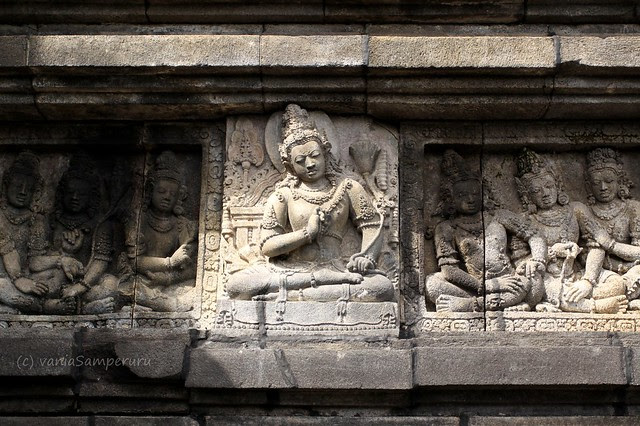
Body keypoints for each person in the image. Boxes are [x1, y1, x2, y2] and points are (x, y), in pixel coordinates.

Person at [226, 104, 394, 316]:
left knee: (381, 287)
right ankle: (316, 288)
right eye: (300, 161)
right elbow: (268, 246)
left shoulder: (348, 187)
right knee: (236, 285)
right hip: (292, 271)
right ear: (289, 165)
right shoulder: (284, 195)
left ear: (326, 153)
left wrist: (366, 257)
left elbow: (371, 224)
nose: (310, 164)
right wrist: (307, 233)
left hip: (337, 269)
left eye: (315, 155)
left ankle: (296, 295)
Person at [425, 149, 547, 312]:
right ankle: (494, 302)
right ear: (450, 199)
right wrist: (486, 286)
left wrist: (537, 260)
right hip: (473, 286)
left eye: (475, 194)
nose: (470, 199)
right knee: (432, 284)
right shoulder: (446, 228)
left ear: (484, 194)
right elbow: (449, 271)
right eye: (462, 195)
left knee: (532, 280)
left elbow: (534, 234)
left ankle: (470, 305)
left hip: (508, 280)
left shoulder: (499, 216)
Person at [514, 148, 627, 314]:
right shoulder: (524, 220)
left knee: (617, 284)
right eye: (536, 191)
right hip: (548, 278)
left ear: (558, 185)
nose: (545, 194)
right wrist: (551, 253)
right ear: (526, 195)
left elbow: (597, 244)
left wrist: (587, 281)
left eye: (549, 186)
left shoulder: (576, 210)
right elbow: (520, 262)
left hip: (577, 274)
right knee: (546, 288)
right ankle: (596, 306)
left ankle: (580, 299)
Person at [29, 153, 118, 314]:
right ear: (61, 193)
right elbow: (34, 262)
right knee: (34, 284)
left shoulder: (101, 224)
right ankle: (80, 307)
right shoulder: (46, 221)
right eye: (70, 192)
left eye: (82, 194)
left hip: (88, 281)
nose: (75, 198)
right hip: (55, 277)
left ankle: (63, 305)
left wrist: (79, 287)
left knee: (111, 285)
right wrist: (62, 258)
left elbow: (100, 261)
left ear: (91, 197)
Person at [119, 151, 197, 312]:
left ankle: (156, 304)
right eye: (161, 191)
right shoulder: (137, 220)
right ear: (150, 192)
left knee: (195, 292)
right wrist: (170, 263)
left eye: (173, 194)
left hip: (170, 282)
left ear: (179, 197)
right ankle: (163, 305)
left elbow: (191, 267)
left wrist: (167, 278)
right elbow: (135, 262)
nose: (167, 197)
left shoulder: (183, 225)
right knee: (126, 288)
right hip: (142, 280)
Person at [0, 152, 48, 313]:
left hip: (26, 278)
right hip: (5, 280)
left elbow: (35, 260)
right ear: (5, 186)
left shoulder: (36, 219)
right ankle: (44, 307)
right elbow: (7, 250)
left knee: (55, 276)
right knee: (2, 285)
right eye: (17, 186)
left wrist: (62, 260)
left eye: (29, 189)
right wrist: (17, 279)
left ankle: (15, 306)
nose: (23, 192)